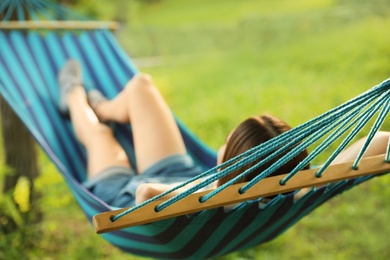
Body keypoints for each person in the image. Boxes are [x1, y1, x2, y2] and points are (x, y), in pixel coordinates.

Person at [58, 60, 390, 208]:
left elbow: (145, 193)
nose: (225, 138)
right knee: (141, 85)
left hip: (122, 195)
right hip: (184, 174)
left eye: (230, 139)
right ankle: (103, 107)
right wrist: (317, 175)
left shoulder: (221, 203)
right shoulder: (295, 190)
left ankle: (74, 96)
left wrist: (217, 192)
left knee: (100, 136)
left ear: (236, 163)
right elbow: (383, 139)